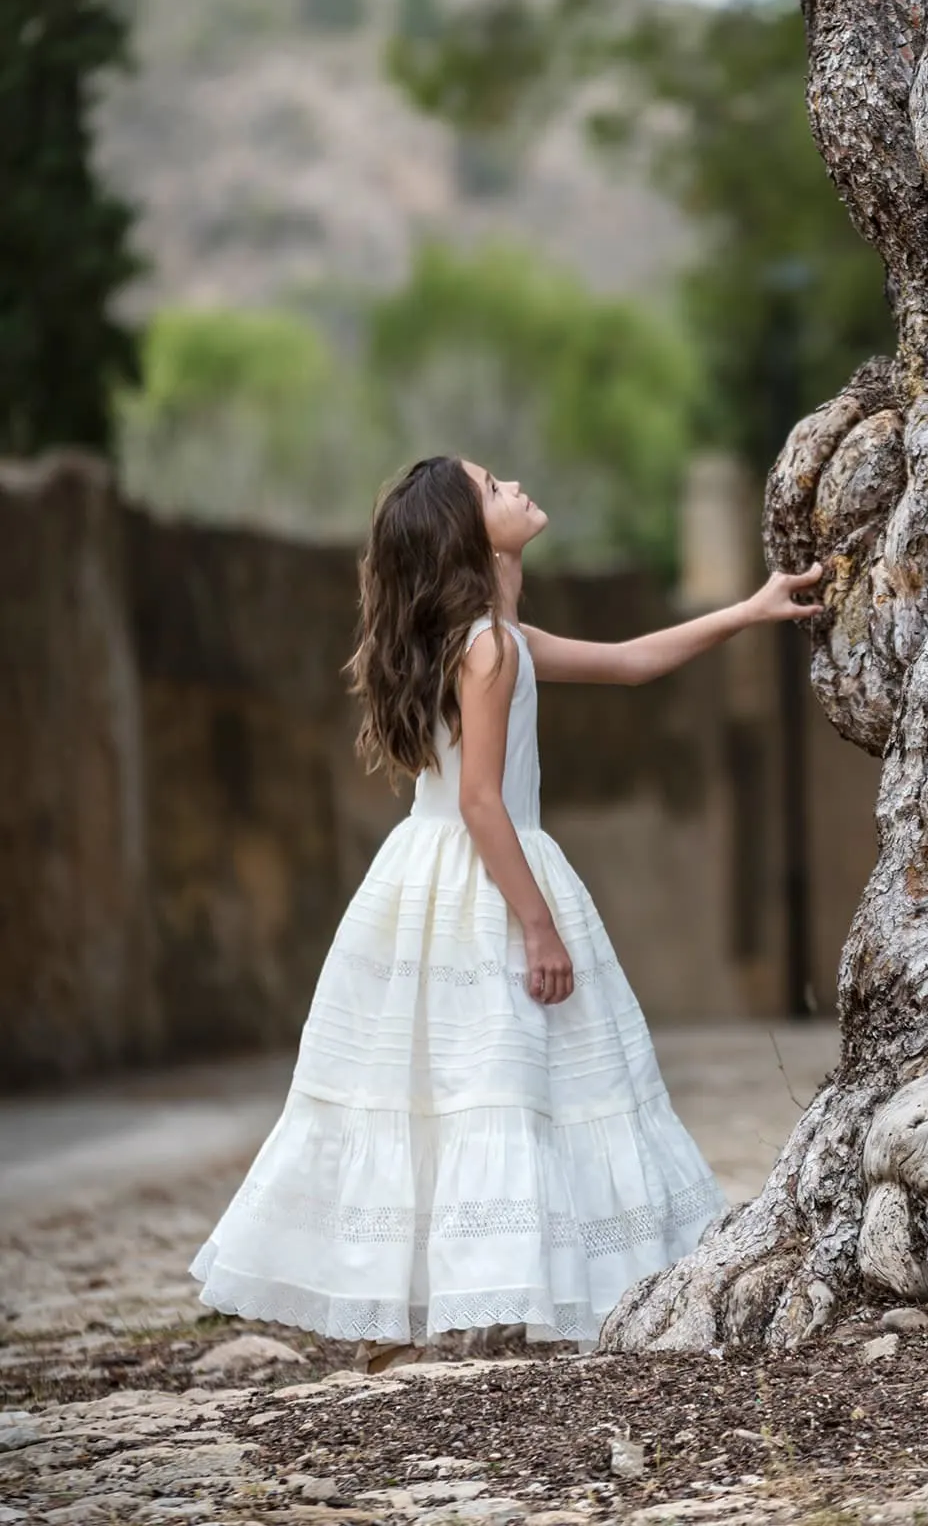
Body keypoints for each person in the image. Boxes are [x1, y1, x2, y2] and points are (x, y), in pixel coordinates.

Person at [191, 454, 821, 1353]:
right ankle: (493, 1303)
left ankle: (483, 1303)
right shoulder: (487, 646)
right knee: (501, 1088)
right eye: (493, 488)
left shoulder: (492, 637)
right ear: (468, 532)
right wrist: (538, 924)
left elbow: (633, 661)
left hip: (430, 876)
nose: (515, 486)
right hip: (485, 878)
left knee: (477, 1090)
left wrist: (750, 609)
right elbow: (483, 800)